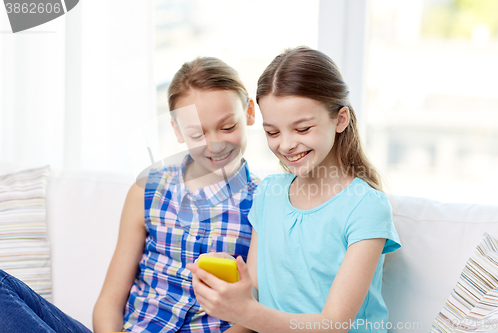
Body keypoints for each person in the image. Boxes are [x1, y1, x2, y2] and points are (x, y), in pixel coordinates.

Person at [0, 56, 259, 333]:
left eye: (228, 127)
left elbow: (253, 314)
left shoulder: (264, 203)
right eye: (197, 134)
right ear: (177, 130)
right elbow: (110, 301)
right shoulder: (147, 189)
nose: (214, 144)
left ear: (250, 113)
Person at [188, 46, 402, 333]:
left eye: (302, 129)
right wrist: (236, 296)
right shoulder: (268, 194)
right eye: (272, 132)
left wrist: (248, 312)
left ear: (340, 119)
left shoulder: (366, 206)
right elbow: (255, 302)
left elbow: (334, 324)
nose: (286, 145)